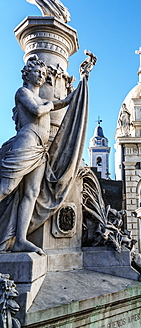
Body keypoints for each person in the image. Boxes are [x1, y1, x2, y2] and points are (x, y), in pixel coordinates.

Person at [0, 55, 74, 254]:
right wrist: (51, 105)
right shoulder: (23, 92)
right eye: (37, 72)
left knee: (31, 194)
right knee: (6, 188)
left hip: (41, 149)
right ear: (27, 74)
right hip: (27, 141)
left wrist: (79, 90)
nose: (41, 75)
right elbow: (37, 111)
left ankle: (20, 240)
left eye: (43, 73)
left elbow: (62, 102)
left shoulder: (41, 98)